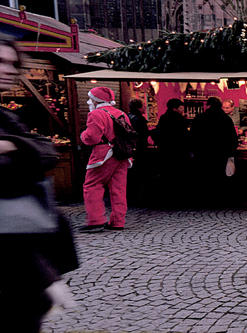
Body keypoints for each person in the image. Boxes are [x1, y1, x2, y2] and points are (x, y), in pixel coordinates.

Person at [0, 35, 76, 331]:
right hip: (15, 262)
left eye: (12, 63)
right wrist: (45, 276)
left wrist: (11, 146)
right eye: (0, 62)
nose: (8, 69)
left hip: (26, 256)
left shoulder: (6, 117)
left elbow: (46, 151)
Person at [79, 86, 132, 232]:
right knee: (118, 189)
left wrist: (82, 136)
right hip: (122, 154)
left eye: (91, 99)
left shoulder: (96, 114)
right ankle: (118, 222)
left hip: (104, 155)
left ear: (96, 100)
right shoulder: (121, 113)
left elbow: (91, 137)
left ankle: (96, 221)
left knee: (92, 185)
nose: (89, 101)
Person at [190, 96, 238, 206]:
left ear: (208, 105)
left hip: (202, 154)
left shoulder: (199, 118)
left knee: (204, 178)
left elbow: (193, 137)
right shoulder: (225, 119)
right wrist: (230, 152)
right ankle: (218, 200)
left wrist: (195, 151)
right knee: (219, 179)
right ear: (220, 106)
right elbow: (232, 139)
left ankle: (205, 199)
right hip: (220, 154)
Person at [151, 98, 190, 206]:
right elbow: (185, 137)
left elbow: (158, 133)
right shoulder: (180, 119)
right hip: (179, 152)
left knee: (167, 175)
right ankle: (177, 198)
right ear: (175, 108)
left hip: (165, 151)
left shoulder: (163, 118)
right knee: (178, 176)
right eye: (181, 107)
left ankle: (166, 198)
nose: (183, 109)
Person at [126, 99, 150, 205]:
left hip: (128, 150)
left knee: (130, 174)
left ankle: (130, 195)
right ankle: (140, 197)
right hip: (140, 150)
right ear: (139, 107)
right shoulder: (140, 119)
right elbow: (144, 135)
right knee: (141, 174)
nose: (145, 107)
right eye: (143, 106)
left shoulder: (126, 118)